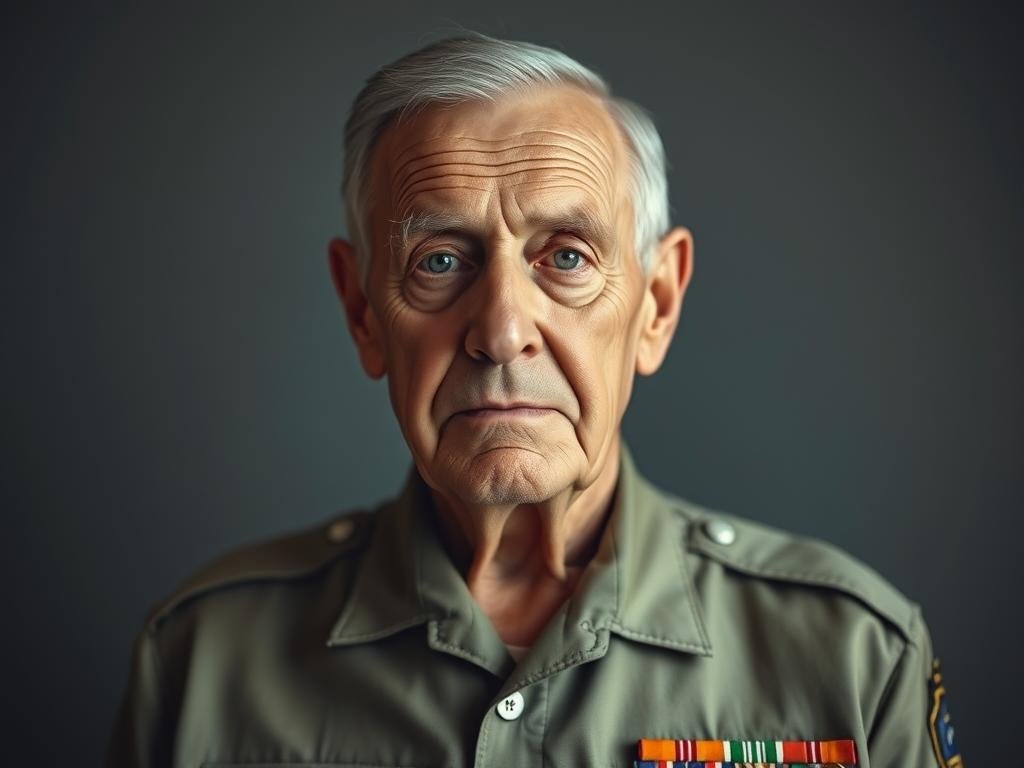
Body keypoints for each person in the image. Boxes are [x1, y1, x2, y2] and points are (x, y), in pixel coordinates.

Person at [105, 31, 962, 768]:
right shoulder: (199, 661)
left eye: (567, 257)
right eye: (439, 260)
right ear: (363, 311)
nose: (503, 329)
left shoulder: (853, 661)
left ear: (657, 305)